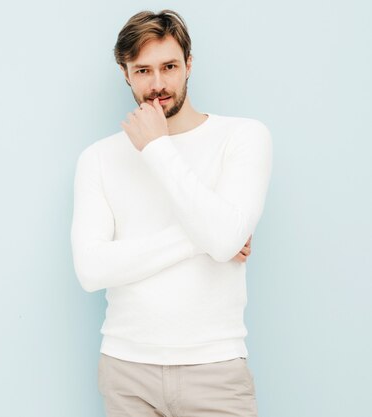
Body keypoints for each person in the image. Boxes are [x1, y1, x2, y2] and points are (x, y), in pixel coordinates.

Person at [70, 9, 273, 417]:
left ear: (189, 65)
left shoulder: (243, 137)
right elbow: (91, 269)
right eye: (143, 70)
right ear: (125, 74)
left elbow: (224, 240)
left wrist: (157, 148)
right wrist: (205, 239)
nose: (158, 84)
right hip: (126, 369)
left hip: (214, 369)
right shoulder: (98, 158)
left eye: (169, 67)